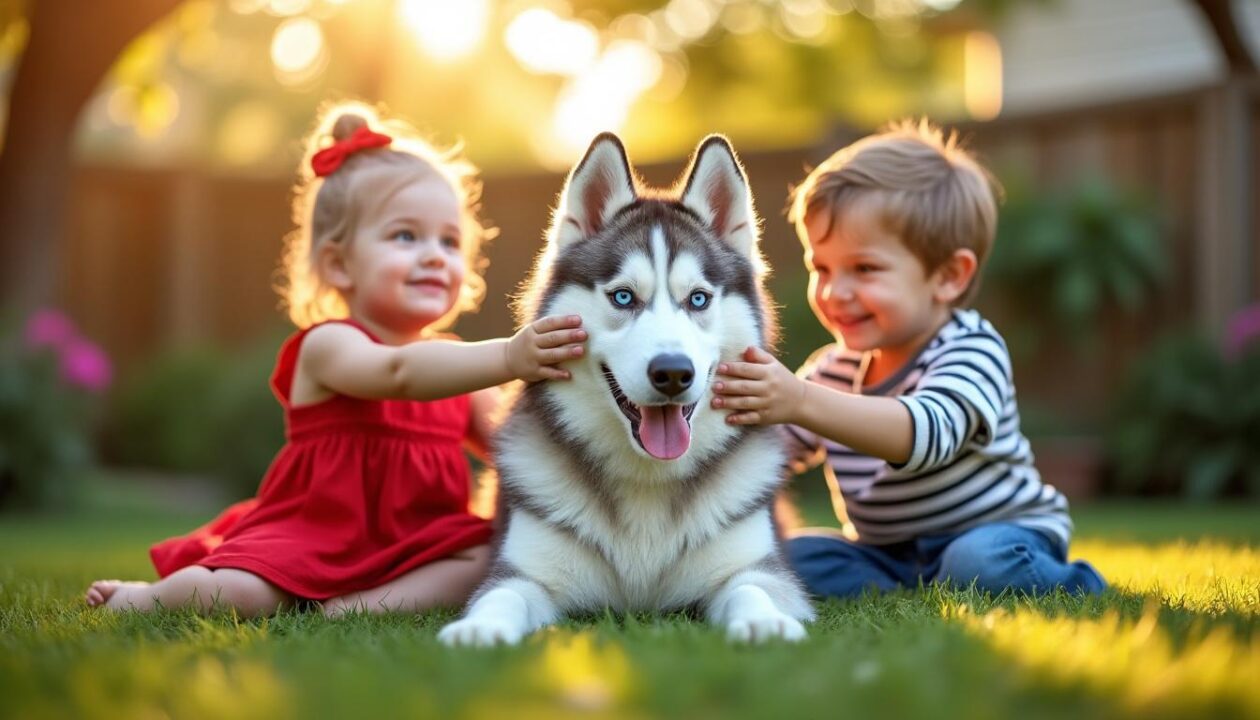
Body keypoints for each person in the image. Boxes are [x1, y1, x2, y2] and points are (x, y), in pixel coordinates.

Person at [85, 103, 586, 617]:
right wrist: (509, 355)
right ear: (338, 264)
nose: (435, 255)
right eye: (406, 236)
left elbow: (515, 444)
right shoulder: (329, 346)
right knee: (239, 593)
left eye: (450, 241)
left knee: (490, 551)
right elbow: (398, 375)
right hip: (316, 534)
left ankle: (357, 607)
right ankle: (143, 599)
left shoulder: (460, 366)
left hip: (418, 542)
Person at [711, 120, 1105, 598]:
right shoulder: (829, 371)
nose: (836, 291)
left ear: (948, 276)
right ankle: (915, 586)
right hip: (883, 552)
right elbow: (761, 451)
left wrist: (796, 398)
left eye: (865, 269)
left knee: (977, 562)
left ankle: (1079, 585)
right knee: (786, 557)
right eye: (822, 267)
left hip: (999, 535)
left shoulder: (971, 348)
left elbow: (923, 434)